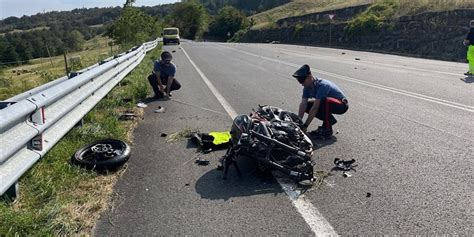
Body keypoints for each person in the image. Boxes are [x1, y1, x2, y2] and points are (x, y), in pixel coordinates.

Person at [293, 64, 348, 139]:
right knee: (308, 105)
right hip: (327, 104)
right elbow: (303, 104)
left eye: (302, 80)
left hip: (341, 105)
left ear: (309, 77)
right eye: (299, 81)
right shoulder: (307, 87)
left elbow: (315, 108)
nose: (301, 83)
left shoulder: (322, 85)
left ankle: (327, 129)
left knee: (323, 101)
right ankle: (330, 120)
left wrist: (305, 126)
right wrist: (298, 122)